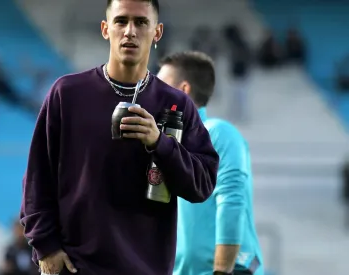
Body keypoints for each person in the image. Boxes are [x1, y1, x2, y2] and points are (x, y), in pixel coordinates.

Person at [20, 1, 220, 275]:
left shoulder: (177, 104)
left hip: (146, 267)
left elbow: (203, 183)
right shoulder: (67, 94)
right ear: (105, 28)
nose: (129, 31)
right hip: (75, 267)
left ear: (157, 32)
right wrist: (46, 246)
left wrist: (159, 143)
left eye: (140, 22)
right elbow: (37, 177)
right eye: (121, 21)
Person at [157, 51, 264, 275]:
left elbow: (232, 201)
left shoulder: (218, 134)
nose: (154, 93)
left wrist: (222, 271)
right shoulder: (165, 143)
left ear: (183, 91)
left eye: (161, 86)